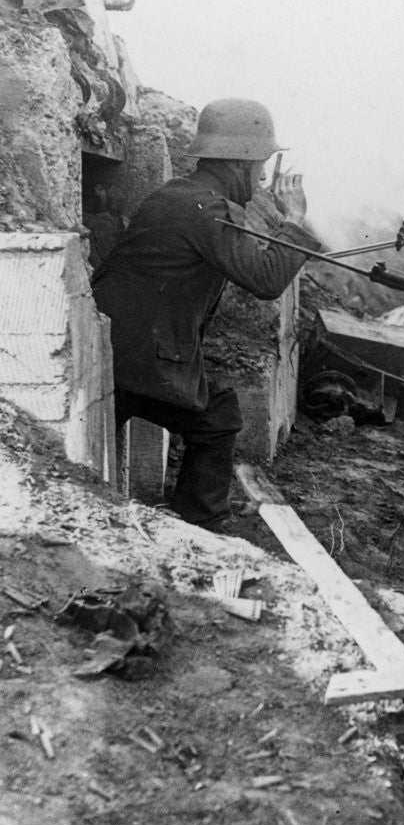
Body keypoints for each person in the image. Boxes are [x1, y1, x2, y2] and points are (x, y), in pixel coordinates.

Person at [92, 98, 318, 532]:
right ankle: (203, 522)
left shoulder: (183, 196)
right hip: (138, 356)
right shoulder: (206, 209)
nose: (261, 178)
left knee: (209, 408)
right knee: (217, 415)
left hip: (121, 347)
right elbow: (267, 281)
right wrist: (296, 220)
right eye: (261, 167)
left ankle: (195, 515)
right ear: (241, 163)